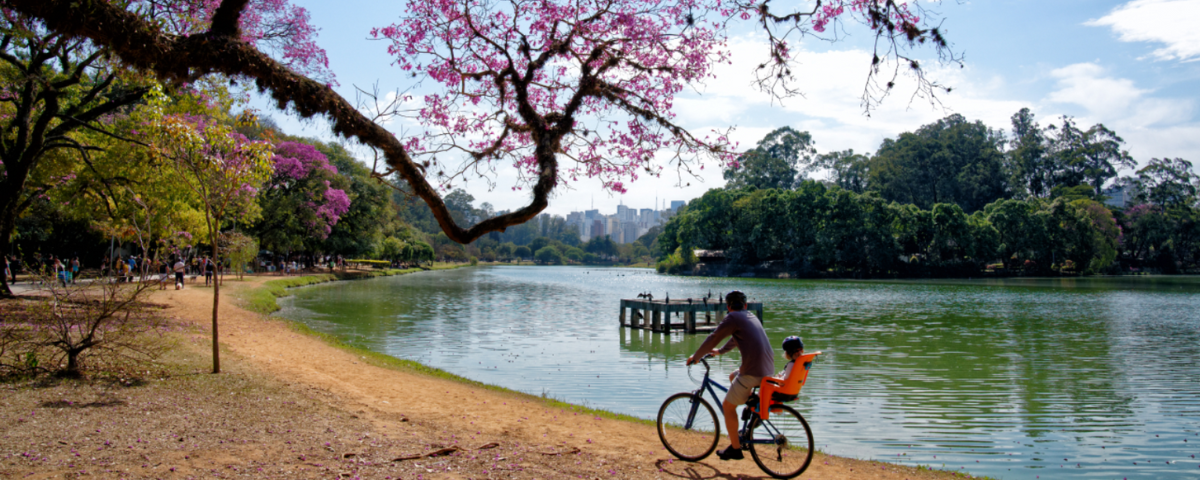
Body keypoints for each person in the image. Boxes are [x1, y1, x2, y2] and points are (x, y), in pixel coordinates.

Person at [686, 291, 773, 461]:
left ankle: (735, 449)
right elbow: (736, 338)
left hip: (753, 373)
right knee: (733, 376)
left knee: (728, 406)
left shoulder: (732, 318)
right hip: (767, 370)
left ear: (728, 307)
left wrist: (695, 357)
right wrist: (720, 351)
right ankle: (753, 409)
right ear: (745, 305)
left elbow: (713, 337)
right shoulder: (749, 316)